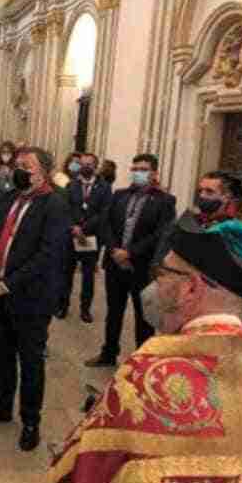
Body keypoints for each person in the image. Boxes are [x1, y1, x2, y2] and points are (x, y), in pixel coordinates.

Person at [41, 216, 242, 483]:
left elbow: (80, 479)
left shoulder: (148, 374)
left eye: (163, 272)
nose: (156, 283)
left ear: (191, 288)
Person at [0, 146, 70, 451]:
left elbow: (48, 255)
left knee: (30, 361)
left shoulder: (54, 205)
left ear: (43, 172)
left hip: (31, 298)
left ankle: (30, 421)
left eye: (26, 166)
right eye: (18, 164)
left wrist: (7, 285)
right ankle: (2, 407)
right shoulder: (5, 199)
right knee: (1, 354)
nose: (19, 170)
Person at [85, 153, 177, 368]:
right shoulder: (119, 195)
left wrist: (131, 253)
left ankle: (142, 362)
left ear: (154, 173)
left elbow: (161, 233)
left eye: (143, 169)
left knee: (143, 317)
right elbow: (106, 223)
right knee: (113, 312)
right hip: (115, 264)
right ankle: (108, 353)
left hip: (141, 267)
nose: (138, 173)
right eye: (135, 169)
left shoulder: (165, 201)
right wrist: (114, 249)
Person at [60, 153, 112, 323]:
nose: (85, 167)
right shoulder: (71, 184)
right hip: (71, 236)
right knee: (66, 273)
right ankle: (63, 305)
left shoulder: (104, 187)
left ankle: (85, 309)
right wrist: (74, 227)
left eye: (89, 164)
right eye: (82, 164)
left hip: (91, 238)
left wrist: (84, 228)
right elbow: (65, 208)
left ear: (95, 166)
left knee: (88, 276)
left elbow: (104, 212)